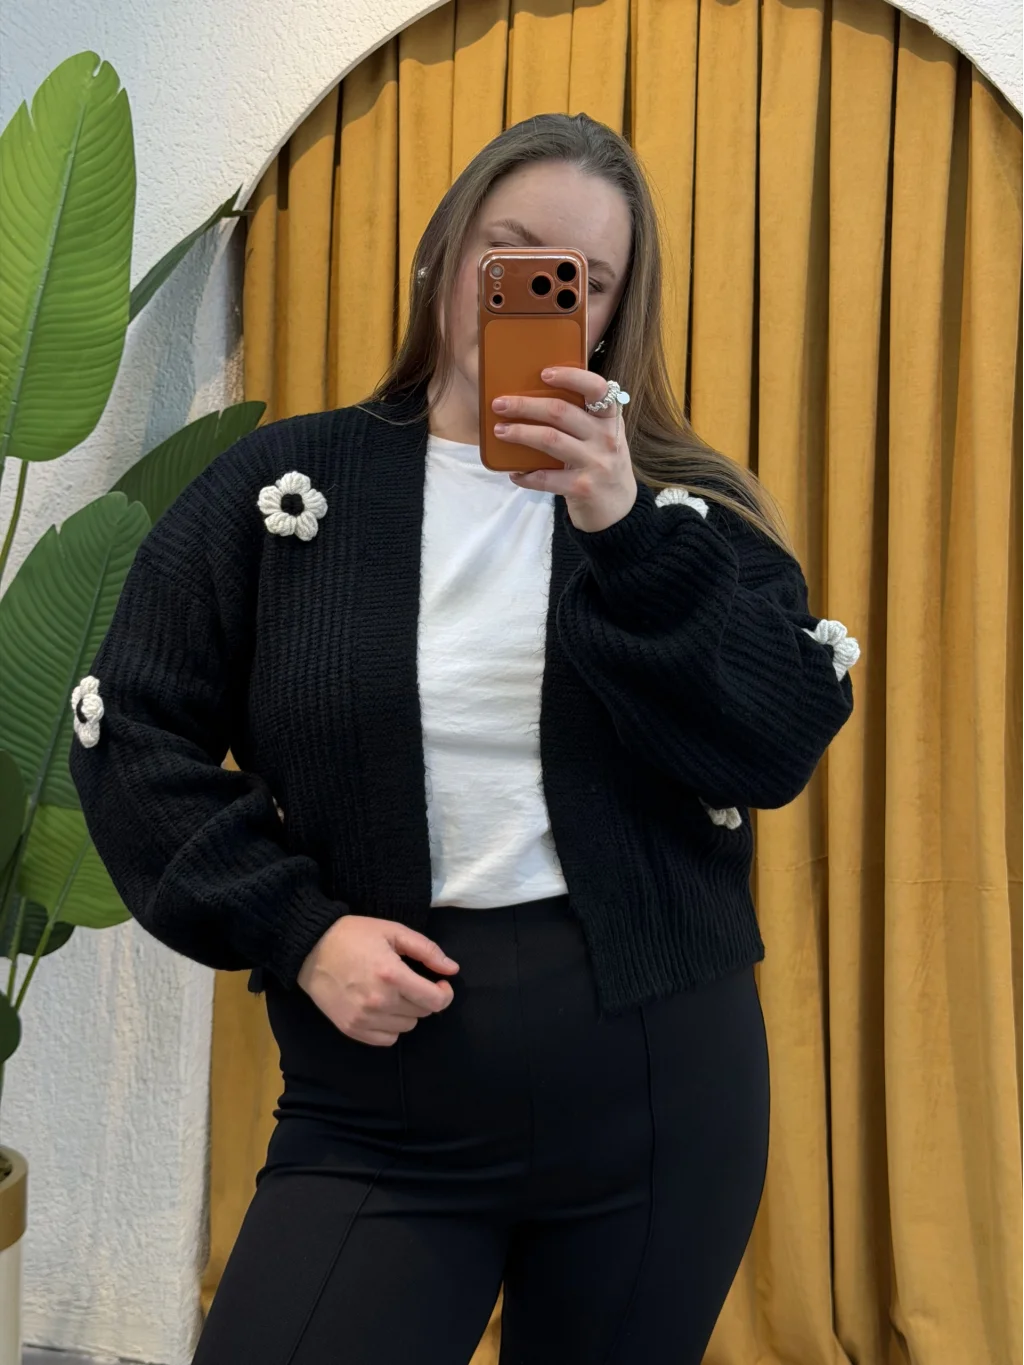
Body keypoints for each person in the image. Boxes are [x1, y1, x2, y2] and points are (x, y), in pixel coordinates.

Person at [68, 111, 860, 1364]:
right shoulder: (283, 492)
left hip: (659, 1092)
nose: (540, 294)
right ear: (445, 258)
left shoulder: (681, 516)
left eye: (583, 279)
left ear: (612, 314)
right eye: (513, 252)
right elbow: (127, 728)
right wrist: (300, 929)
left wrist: (623, 532)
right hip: (378, 1099)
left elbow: (773, 741)